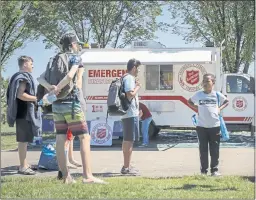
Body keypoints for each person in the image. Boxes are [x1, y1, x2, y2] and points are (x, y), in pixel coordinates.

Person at [37, 32, 105, 184]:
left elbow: (40, 78)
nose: (78, 46)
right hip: (71, 103)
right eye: (77, 44)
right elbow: (70, 76)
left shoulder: (54, 59)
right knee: (84, 137)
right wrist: (59, 88)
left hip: (56, 105)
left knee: (60, 138)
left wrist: (51, 88)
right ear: (73, 44)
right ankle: (88, 176)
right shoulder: (75, 58)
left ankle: (66, 176)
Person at [188, 73, 229, 176]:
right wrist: (197, 108)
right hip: (201, 126)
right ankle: (203, 172)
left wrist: (219, 109)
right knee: (203, 150)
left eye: (208, 81)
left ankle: (214, 170)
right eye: (204, 81)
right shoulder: (198, 94)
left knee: (214, 150)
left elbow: (227, 101)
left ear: (213, 83)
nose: (205, 83)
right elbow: (189, 101)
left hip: (215, 126)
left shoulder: (217, 94)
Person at [6, 56, 42, 175]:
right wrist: (37, 98)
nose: (33, 66)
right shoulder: (23, 78)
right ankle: (22, 166)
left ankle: (25, 163)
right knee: (23, 140)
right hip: (24, 112)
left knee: (25, 140)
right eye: (31, 63)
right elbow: (20, 95)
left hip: (22, 113)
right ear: (25, 64)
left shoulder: (16, 76)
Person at [120, 58, 141, 175]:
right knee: (129, 141)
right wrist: (138, 86)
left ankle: (127, 164)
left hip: (129, 113)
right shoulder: (129, 78)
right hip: (129, 114)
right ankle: (126, 167)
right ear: (134, 68)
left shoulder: (125, 77)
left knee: (127, 140)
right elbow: (130, 94)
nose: (138, 71)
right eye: (137, 68)